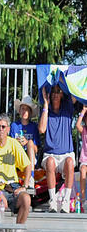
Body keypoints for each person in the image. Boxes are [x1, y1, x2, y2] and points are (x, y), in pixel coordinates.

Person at [38, 84, 76, 212]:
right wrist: (46, 105)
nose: (55, 94)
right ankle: (52, 200)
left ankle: (66, 200)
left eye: (58, 91)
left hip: (66, 155)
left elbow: (74, 90)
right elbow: (42, 129)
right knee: (49, 162)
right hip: (51, 155)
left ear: (62, 94)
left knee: (71, 162)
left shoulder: (67, 109)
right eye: (53, 91)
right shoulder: (46, 112)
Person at [11, 94, 39, 192]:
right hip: (17, 156)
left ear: (30, 112)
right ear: (19, 111)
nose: (24, 111)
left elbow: (36, 149)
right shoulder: (14, 125)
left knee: (31, 142)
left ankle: (30, 177)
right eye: (22, 108)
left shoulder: (34, 127)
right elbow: (9, 144)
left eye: (27, 109)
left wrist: (27, 143)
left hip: (29, 157)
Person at [76, 106, 87, 213]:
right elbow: (77, 125)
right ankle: (83, 199)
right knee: (83, 170)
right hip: (85, 160)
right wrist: (83, 111)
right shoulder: (84, 130)